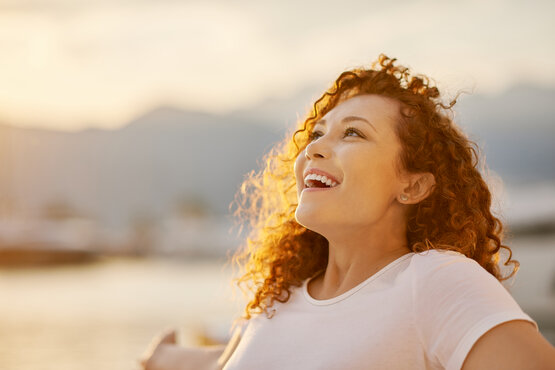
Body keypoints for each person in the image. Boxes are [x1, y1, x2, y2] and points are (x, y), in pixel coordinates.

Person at [140, 55, 555, 370]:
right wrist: (165, 358)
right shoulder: (275, 302)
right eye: (317, 134)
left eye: (353, 133)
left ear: (412, 185)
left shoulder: (432, 280)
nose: (315, 148)